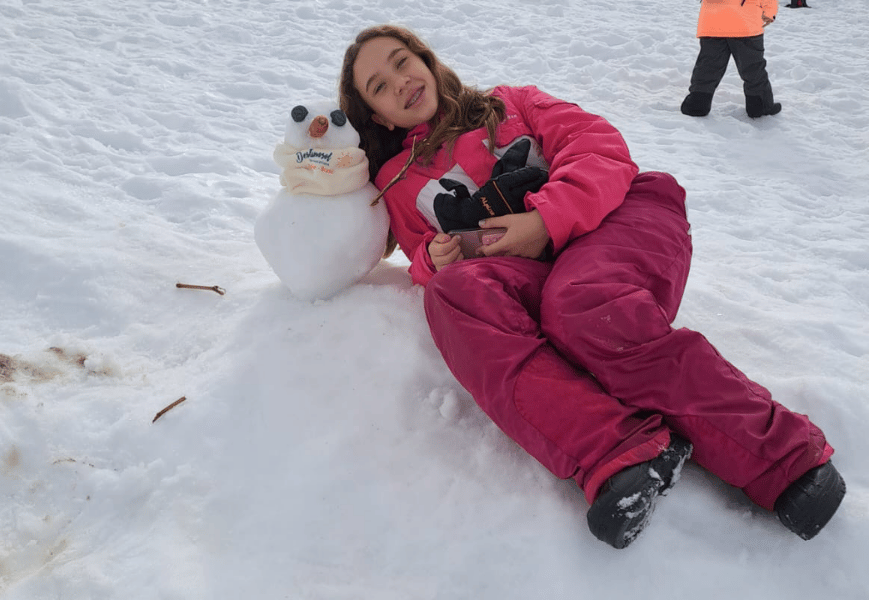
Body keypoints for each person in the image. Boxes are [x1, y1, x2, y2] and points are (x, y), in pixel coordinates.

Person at [339, 24, 845, 548]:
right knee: (452, 295)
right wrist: (434, 256)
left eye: (401, 62)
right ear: (377, 116)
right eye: (378, 86)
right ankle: (620, 454)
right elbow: (424, 255)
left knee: (578, 302)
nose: (399, 82)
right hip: (532, 274)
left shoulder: (509, 104)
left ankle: (783, 458)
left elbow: (599, 149)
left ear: (424, 58)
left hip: (620, 218)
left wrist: (544, 220)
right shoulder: (397, 182)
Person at [681, 0, 782, 118]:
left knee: (708, 67)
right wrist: (770, 13)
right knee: (753, 68)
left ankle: (696, 105)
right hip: (746, 23)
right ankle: (760, 107)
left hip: (713, 22)